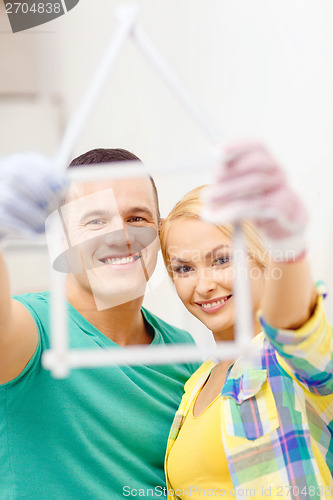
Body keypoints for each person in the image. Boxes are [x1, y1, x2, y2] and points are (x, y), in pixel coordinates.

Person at [0, 148, 199, 499]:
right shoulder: (34, 329)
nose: (121, 235)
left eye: (137, 218)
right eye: (95, 221)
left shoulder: (184, 351)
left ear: (160, 232)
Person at [160, 142, 333, 499]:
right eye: (184, 268)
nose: (204, 285)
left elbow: (296, 329)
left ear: (260, 256)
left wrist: (289, 243)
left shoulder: (284, 356)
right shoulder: (194, 385)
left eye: (222, 260)